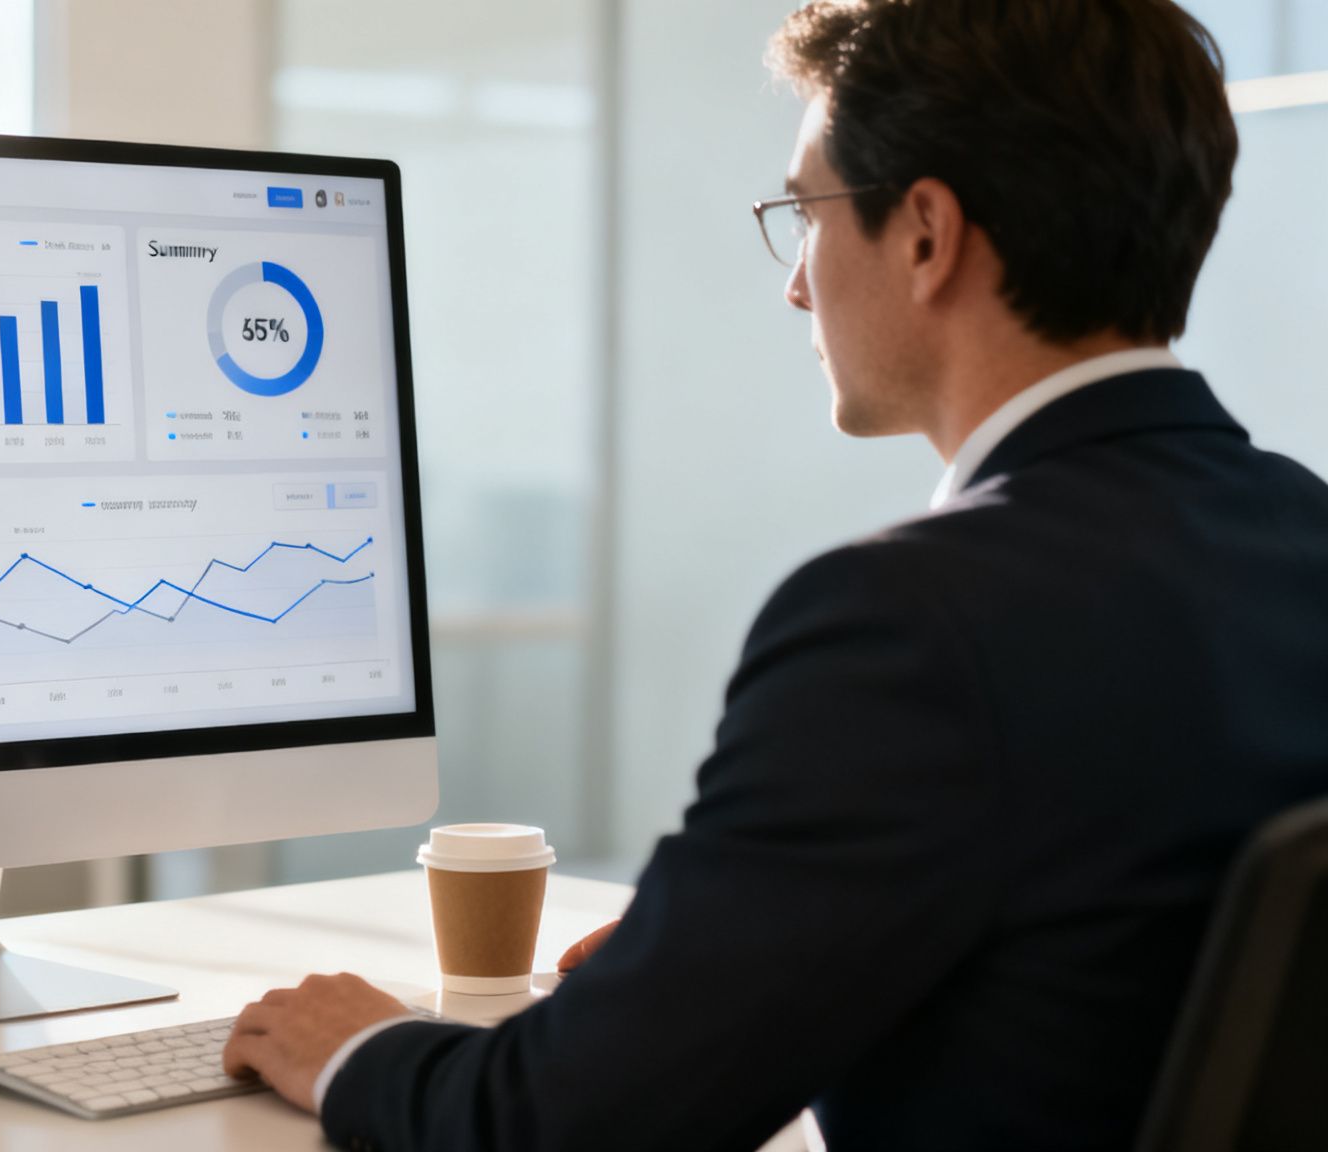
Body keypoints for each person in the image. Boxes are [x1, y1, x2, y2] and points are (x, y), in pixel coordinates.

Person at [220, 1, 1328, 1148]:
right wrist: (739, 951)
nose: (795, 284)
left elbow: (557, 1126)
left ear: (924, 235)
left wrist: (354, 1048)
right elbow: (1098, 958)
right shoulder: (1301, 532)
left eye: (806, 212)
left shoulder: (910, 627)